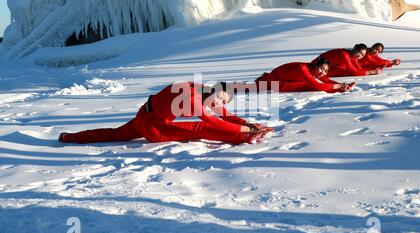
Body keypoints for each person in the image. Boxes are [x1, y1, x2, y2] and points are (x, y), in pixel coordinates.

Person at [59, 82, 273, 145]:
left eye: (222, 102)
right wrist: (245, 129)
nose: (219, 105)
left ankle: (72, 137)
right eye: (220, 100)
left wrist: (246, 121)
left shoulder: (201, 90)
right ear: (214, 91)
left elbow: (224, 115)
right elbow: (213, 122)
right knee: (202, 128)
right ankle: (244, 138)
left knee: (114, 133)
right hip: (153, 127)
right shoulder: (193, 98)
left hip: (143, 117)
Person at [255, 58, 355, 93]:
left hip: (276, 78)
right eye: (321, 69)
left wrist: (341, 84)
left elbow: (326, 80)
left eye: (325, 71)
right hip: (277, 82)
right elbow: (317, 85)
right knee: (309, 85)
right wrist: (339, 87)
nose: (322, 73)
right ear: (316, 65)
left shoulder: (313, 69)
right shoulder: (303, 69)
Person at [313, 44, 381, 77]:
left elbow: (358, 68)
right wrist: (371, 72)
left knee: (344, 69)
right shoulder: (345, 55)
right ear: (355, 49)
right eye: (359, 52)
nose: (360, 55)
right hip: (316, 67)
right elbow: (354, 72)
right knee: (346, 71)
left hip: (326, 68)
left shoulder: (353, 56)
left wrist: (373, 70)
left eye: (362, 55)